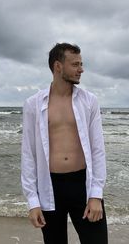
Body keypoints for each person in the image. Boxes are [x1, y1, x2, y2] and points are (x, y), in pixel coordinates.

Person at [21, 43, 108, 244]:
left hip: (83, 185)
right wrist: (32, 201)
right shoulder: (33, 104)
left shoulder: (89, 101)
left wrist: (96, 194)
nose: (81, 69)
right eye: (75, 64)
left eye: (81, 63)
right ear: (58, 66)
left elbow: (98, 150)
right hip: (50, 186)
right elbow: (28, 153)